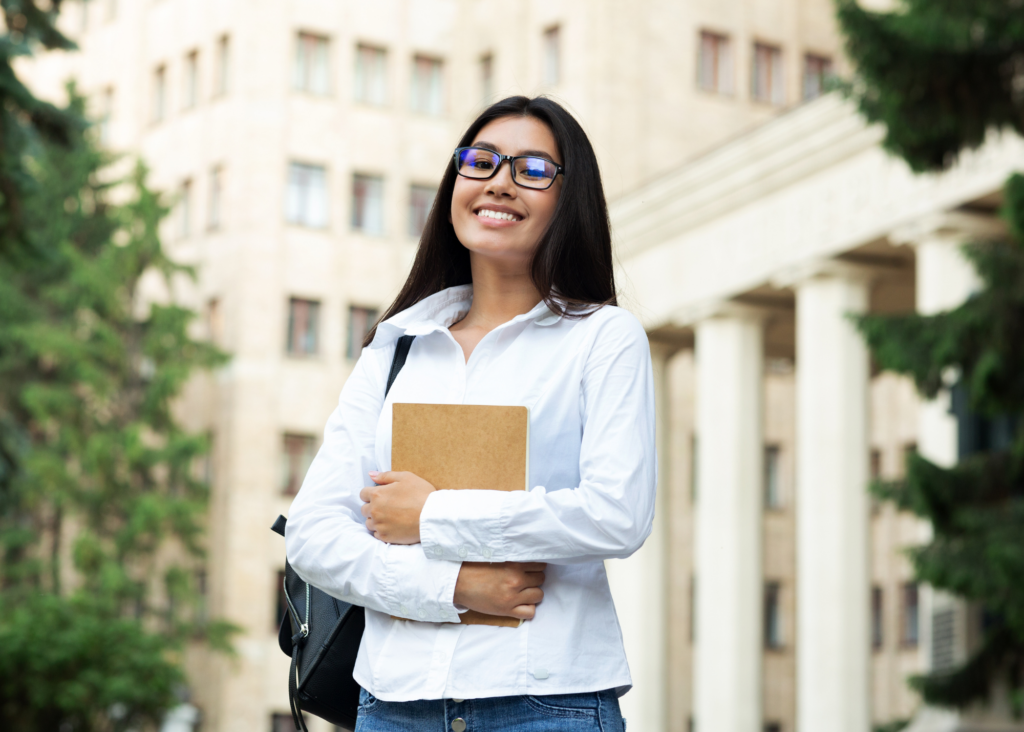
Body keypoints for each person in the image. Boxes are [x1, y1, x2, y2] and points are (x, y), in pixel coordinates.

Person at [286, 95, 656, 732]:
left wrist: (431, 515)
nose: (500, 182)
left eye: (533, 169)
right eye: (480, 161)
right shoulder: (395, 347)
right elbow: (314, 535)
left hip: (546, 702)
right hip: (393, 706)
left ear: (571, 199)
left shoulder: (603, 337)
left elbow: (616, 514)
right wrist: (453, 589)